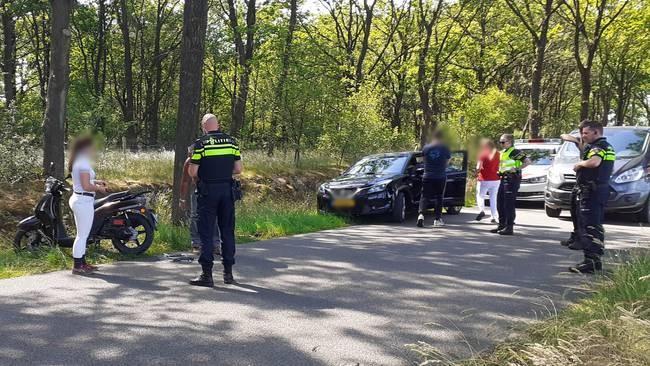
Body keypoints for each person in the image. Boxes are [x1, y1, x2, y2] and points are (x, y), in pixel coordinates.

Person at [188, 114, 243, 287]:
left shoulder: (201, 143)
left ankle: (207, 275)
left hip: (208, 192)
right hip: (227, 190)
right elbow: (238, 169)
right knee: (227, 231)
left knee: (206, 232)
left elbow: (193, 172)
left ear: (204, 126)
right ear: (218, 125)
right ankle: (228, 273)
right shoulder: (231, 142)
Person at [567, 120, 615, 274]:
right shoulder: (605, 146)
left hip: (592, 192)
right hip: (597, 191)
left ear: (596, 132)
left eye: (586, 133)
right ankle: (595, 260)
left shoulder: (598, 147)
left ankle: (591, 262)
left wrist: (580, 164)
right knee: (595, 225)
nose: (583, 135)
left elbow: (594, 162)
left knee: (589, 226)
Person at [68, 136, 108, 275]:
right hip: (83, 201)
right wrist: (99, 188)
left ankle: (82, 263)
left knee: (82, 234)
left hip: (79, 199)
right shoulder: (83, 163)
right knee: (82, 235)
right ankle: (78, 266)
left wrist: (97, 181)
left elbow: (84, 181)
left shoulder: (78, 161)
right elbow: (86, 185)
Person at [180, 146, 221, 255]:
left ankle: (215, 244)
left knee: (214, 216)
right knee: (195, 215)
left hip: (211, 190)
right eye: (190, 153)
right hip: (197, 190)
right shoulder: (189, 162)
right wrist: (182, 198)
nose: (191, 155)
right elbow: (185, 181)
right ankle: (196, 243)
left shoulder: (210, 161)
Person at [490, 133, 530, 235]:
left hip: (512, 180)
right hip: (503, 179)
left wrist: (516, 168)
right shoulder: (504, 152)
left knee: (508, 204)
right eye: (500, 142)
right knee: (500, 203)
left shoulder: (515, 152)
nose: (501, 144)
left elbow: (528, 161)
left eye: (503, 142)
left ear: (509, 142)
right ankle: (501, 225)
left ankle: (509, 227)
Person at [417, 129, 451, 228]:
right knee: (439, 197)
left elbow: (423, 160)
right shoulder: (445, 148)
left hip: (427, 175)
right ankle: (437, 219)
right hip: (440, 176)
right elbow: (448, 161)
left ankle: (421, 215)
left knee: (424, 196)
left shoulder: (426, 148)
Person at [475, 138, 500, 223]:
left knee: (480, 196)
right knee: (493, 198)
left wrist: (476, 172)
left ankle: (481, 210)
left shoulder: (483, 154)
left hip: (484, 179)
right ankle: (494, 217)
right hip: (496, 179)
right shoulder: (498, 154)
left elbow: (478, 167)